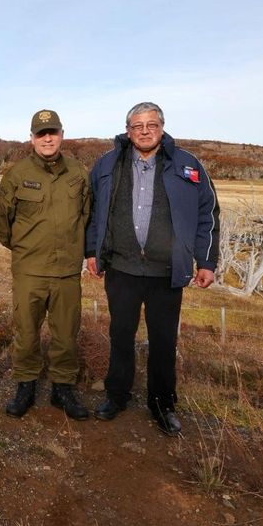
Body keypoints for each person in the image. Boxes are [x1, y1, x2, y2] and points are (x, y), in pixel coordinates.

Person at [85, 101, 219, 436]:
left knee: (163, 341)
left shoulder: (187, 165)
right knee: (120, 335)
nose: (145, 131)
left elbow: (208, 214)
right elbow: (93, 211)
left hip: (166, 271)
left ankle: (162, 404)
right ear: (127, 130)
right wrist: (92, 252)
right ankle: (116, 395)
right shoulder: (107, 163)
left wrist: (206, 261)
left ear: (162, 127)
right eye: (138, 125)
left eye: (152, 125)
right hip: (122, 266)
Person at [0, 110, 91, 420]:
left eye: (52, 132)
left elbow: (86, 215)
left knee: (66, 333)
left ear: (62, 134)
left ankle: (63, 389)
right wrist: (23, 248)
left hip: (66, 271)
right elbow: (1, 219)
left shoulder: (78, 172)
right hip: (29, 270)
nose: (47, 139)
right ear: (32, 138)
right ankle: (26, 386)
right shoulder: (17, 174)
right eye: (41, 134)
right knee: (26, 332)